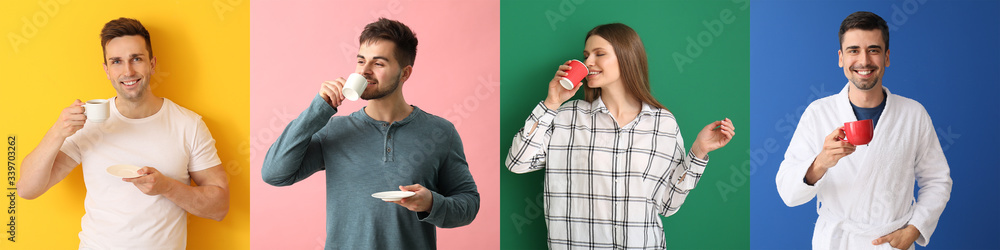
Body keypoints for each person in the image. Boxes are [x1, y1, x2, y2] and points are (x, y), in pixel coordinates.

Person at [505, 23, 735, 249]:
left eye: (599, 54)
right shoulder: (567, 117)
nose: (588, 63)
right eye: (586, 55)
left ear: (627, 57)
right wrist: (552, 102)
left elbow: (667, 205)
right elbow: (517, 162)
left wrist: (698, 152)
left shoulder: (662, 123)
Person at [261, 18, 479, 249]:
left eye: (379, 63)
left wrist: (432, 203)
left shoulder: (440, 132)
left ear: (405, 73)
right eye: (361, 61)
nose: (364, 71)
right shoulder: (334, 130)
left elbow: (468, 204)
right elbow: (274, 174)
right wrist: (318, 109)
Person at [17, 17, 230, 249]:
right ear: (107, 70)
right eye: (116, 61)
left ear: (152, 64)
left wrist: (166, 187)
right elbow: (26, 189)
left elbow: (219, 208)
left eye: (136, 59)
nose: (128, 71)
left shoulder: (188, 125)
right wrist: (58, 131)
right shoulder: (88, 122)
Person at [775, 11, 952, 250]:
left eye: (874, 50)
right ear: (841, 58)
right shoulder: (818, 113)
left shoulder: (913, 114)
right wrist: (820, 163)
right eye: (853, 50)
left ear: (887, 57)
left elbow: (937, 180)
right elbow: (788, 192)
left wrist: (914, 229)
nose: (864, 61)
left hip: (890, 243)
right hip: (837, 243)